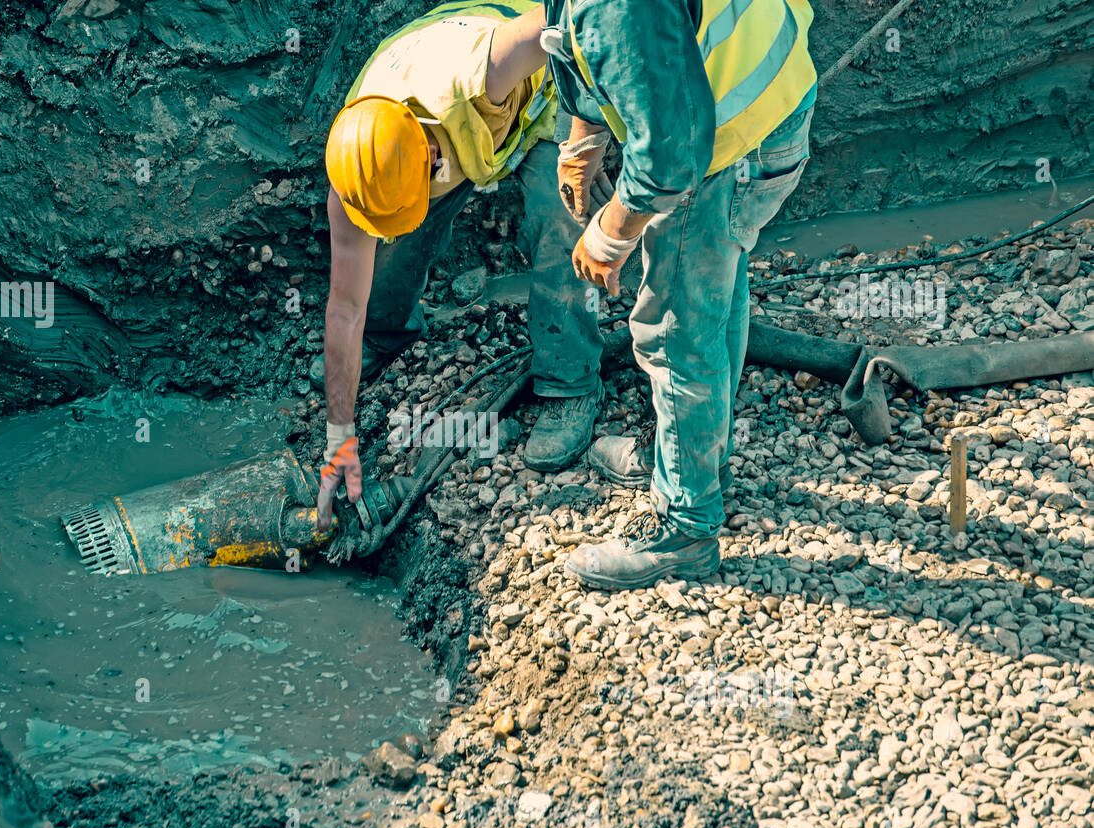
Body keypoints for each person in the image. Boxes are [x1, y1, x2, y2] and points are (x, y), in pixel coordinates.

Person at [538, 0, 818, 589]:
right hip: (772, 100)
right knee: (714, 294)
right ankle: (701, 463)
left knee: (675, 329)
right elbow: (586, 32)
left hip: (730, 141)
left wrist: (614, 231)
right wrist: (585, 132)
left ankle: (685, 524)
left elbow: (670, 158)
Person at [315, 0, 608, 530]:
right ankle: (388, 332)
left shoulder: (487, 71)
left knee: (560, 212)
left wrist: (593, 132)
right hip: (441, 105)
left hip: (541, 100)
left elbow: (573, 19)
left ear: (432, 159)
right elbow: (343, 310)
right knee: (394, 248)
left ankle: (570, 382)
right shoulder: (360, 164)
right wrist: (340, 436)